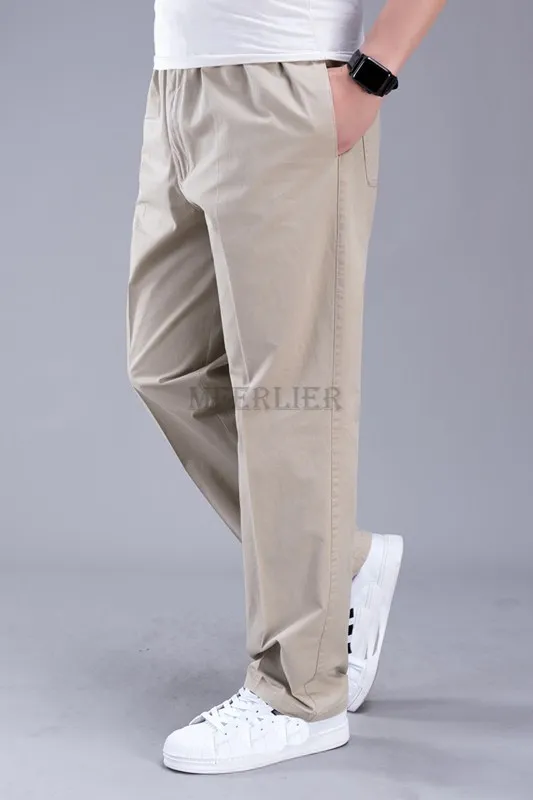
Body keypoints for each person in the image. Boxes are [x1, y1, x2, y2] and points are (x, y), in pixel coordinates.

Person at [127, 0, 446, 774]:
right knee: (165, 367)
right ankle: (342, 561)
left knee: (288, 402)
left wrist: (372, 74)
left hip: (286, 82)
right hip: (180, 83)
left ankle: (300, 696)